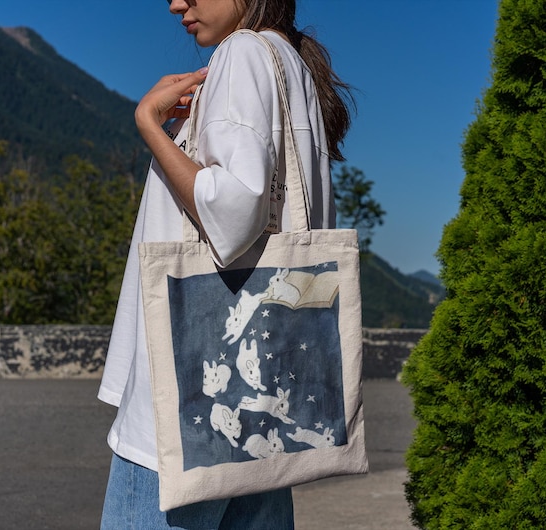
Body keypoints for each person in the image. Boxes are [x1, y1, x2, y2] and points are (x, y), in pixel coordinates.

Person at [97, 0, 353, 528]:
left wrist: (148, 123)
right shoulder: (291, 64)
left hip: (188, 406)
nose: (176, 3)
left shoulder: (240, 55)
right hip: (262, 412)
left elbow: (232, 213)